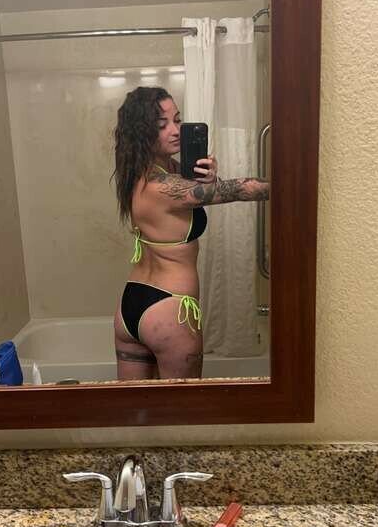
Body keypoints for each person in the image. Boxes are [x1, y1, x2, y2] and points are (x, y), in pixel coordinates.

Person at [113, 86, 269, 380]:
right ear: (141, 131)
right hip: (170, 312)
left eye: (177, 120)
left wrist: (209, 179)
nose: (175, 130)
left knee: (133, 407)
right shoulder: (162, 187)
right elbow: (240, 190)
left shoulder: (136, 173)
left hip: (130, 307)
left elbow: (197, 191)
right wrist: (293, 181)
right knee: (183, 408)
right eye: (161, 125)